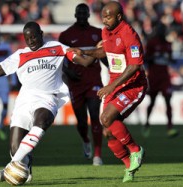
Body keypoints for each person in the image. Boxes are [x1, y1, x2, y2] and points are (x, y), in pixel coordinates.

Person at [0, 21, 94, 184]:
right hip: (24, 101)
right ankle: (24, 165)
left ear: (41, 34)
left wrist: (97, 52)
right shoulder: (20, 55)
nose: (31, 41)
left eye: (34, 37)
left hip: (47, 98)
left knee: (41, 122)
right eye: (27, 38)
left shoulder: (57, 47)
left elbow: (84, 61)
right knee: (16, 149)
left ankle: (10, 166)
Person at [68, 1, 147, 183]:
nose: (104, 20)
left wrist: (111, 86)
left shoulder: (129, 34)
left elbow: (135, 66)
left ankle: (136, 150)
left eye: (108, 16)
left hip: (132, 86)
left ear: (119, 17)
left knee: (106, 119)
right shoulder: (105, 31)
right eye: (103, 16)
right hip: (115, 83)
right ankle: (129, 165)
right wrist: (85, 51)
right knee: (108, 132)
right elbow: (103, 51)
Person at [58, 3, 104, 166]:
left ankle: (97, 155)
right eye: (80, 14)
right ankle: (85, 139)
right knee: (82, 121)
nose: (83, 16)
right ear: (76, 15)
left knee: (94, 114)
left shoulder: (98, 34)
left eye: (85, 14)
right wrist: (68, 73)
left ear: (89, 15)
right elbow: (60, 60)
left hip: (93, 80)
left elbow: (103, 55)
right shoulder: (65, 36)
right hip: (75, 83)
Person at [143, 23, 179, 138]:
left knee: (168, 100)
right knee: (152, 102)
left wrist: (170, 59)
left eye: (163, 30)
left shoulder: (168, 44)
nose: (161, 32)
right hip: (154, 76)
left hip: (164, 77)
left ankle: (170, 127)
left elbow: (172, 60)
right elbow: (145, 59)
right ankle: (147, 124)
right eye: (160, 30)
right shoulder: (152, 43)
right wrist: (155, 56)